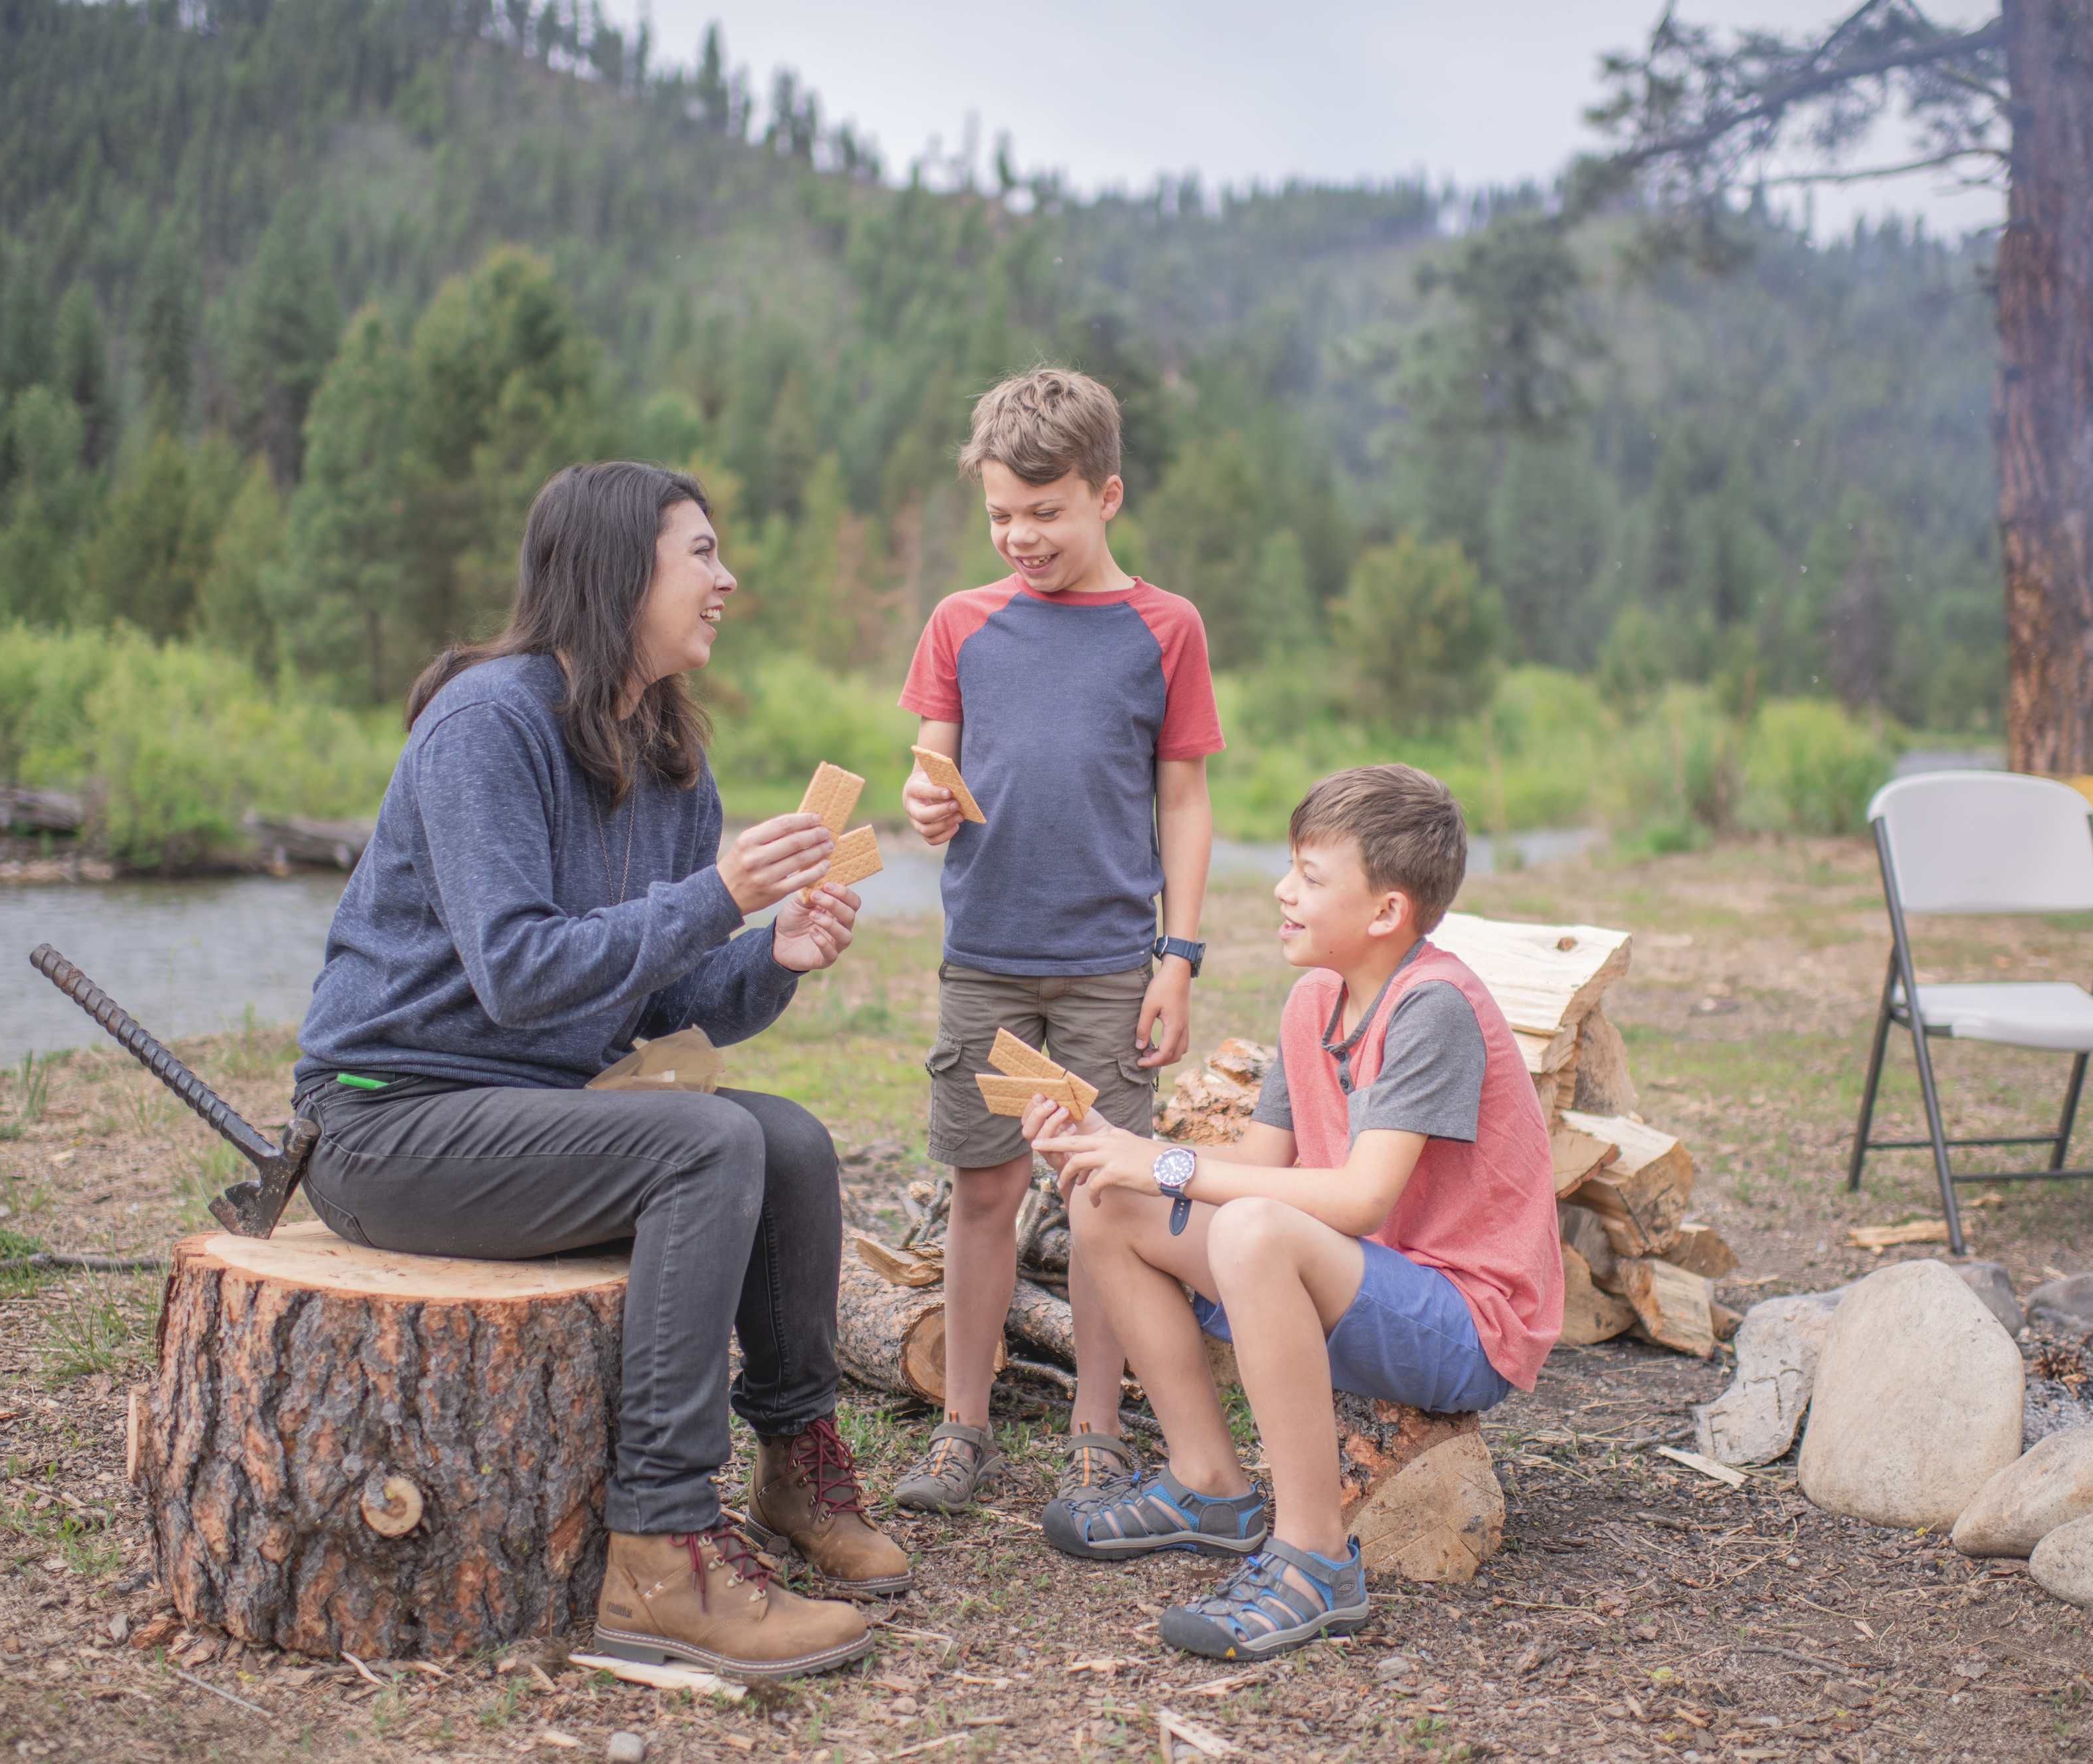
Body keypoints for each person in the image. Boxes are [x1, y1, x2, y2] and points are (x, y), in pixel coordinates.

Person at [289, 461, 906, 1681]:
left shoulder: (669, 757)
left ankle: (796, 1466)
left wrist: (770, 953)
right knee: (707, 1146)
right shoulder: (487, 725)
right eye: (702, 554)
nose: (728, 580)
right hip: (387, 1124)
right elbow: (519, 974)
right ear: (621, 570)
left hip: (532, 1109)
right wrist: (720, 892)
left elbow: (654, 1001)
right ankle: (661, 1555)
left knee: (787, 1141)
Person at [1026, 765, 1561, 1661]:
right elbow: (1259, 1166)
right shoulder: (1316, 997)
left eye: (1310, 877)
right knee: (1108, 1202)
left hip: (1463, 1323)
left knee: (1250, 1227)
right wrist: (1108, 1148)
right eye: (1291, 868)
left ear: (1386, 911)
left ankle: (1316, 1560)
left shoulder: (1432, 1006)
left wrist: (1167, 1162)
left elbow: (1359, 1197)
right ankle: (1208, 1484)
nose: (1283, 890)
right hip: (1361, 1283)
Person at [891, 365, 1223, 1515]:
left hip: (1108, 968)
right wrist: (924, 803)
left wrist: (1178, 957)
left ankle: (1096, 1428)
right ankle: (963, 1426)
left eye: (1047, 511)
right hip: (986, 959)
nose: (1021, 536)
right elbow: (930, 772)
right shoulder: (962, 623)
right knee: (984, 1192)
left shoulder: (1164, 628)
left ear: (1108, 496)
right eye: (1001, 515)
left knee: (1101, 1200)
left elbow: (1183, 801)